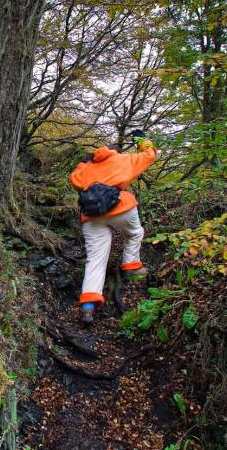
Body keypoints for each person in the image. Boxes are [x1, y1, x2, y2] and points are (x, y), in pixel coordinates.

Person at [69, 130, 158, 324]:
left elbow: (74, 179)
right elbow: (150, 155)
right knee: (135, 233)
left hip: (92, 215)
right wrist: (141, 140)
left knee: (95, 259)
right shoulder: (123, 160)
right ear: (114, 153)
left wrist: (84, 163)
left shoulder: (86, 167)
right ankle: (131, 265)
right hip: (121, 207)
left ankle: (88, 306)